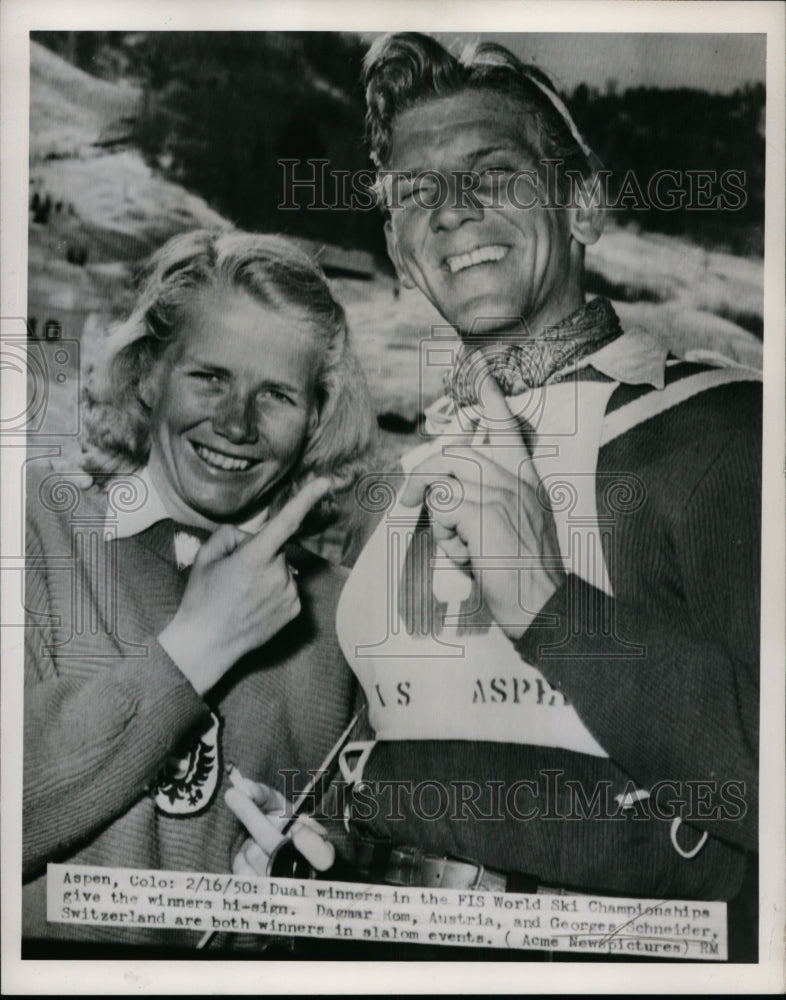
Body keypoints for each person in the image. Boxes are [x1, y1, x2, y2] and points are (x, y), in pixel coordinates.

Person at [233, 33, 761, 962]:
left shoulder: (720, 435)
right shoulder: (404, 483)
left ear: (584, 204)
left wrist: (548, 605)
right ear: (399, 255)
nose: (452, 211)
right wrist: (328, 863)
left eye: (493, 172)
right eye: (414, 196)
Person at [22, 229, 374, 954]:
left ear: (317, 419)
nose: (236, 424)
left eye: (276, 394)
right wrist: (197, 646)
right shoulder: (33, 524)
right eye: (210, 377)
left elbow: (357, 896)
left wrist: (306, 893)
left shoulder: (342, 613)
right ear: (149, 373)